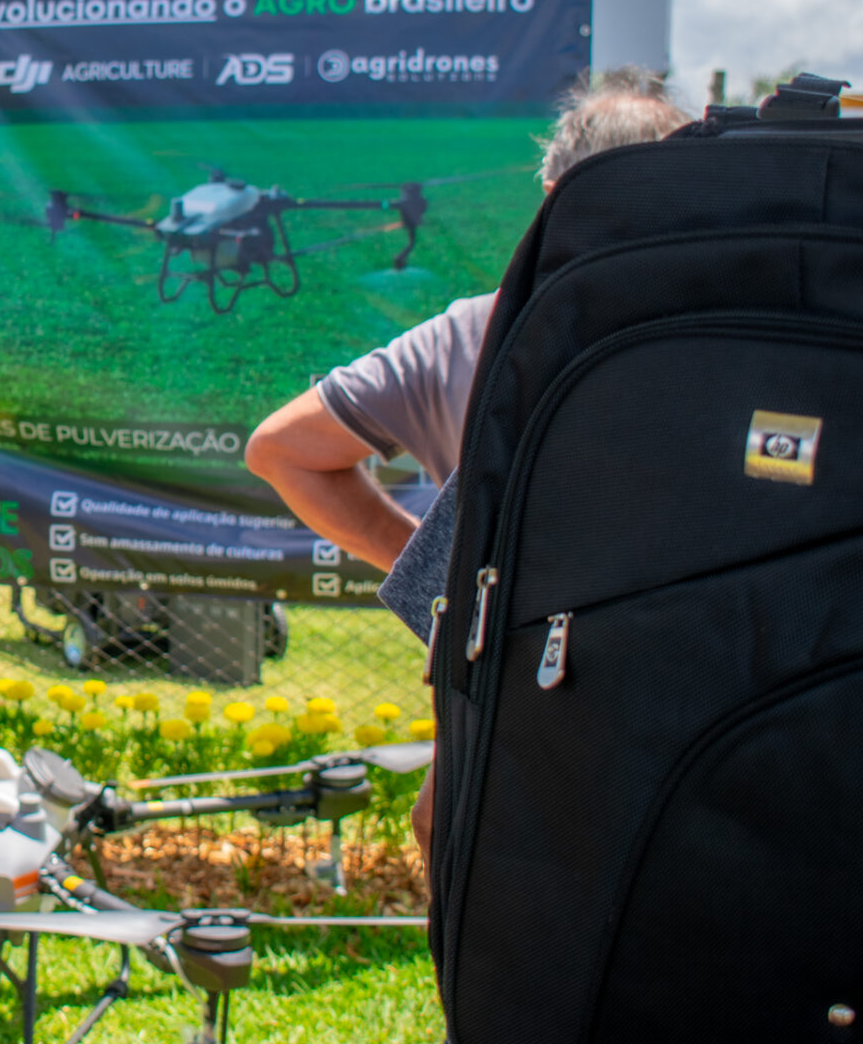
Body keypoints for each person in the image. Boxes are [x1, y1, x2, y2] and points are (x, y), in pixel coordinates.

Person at [244, 67, 690, 855]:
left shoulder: (473, 335)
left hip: (509, 724)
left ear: (552, 190)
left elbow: (281, 449)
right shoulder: (738, 343)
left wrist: (443, 581)